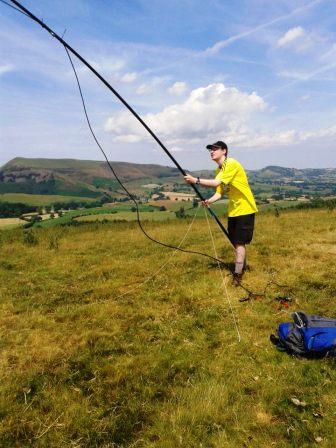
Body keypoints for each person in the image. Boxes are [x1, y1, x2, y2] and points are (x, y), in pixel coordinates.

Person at [184, 140, 258, 286]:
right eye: (210, 150)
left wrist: (195, 180)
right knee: (236, 242)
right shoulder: (219, 170)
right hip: (234, 210)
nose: (211, 151)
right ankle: (241, 265)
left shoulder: (231, 163)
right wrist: (209, 201)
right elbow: (220, 192)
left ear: (224, 151)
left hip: (245, 208)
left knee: (239, 242)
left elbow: (216, 183)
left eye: (215, 149)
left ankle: (237, 275)